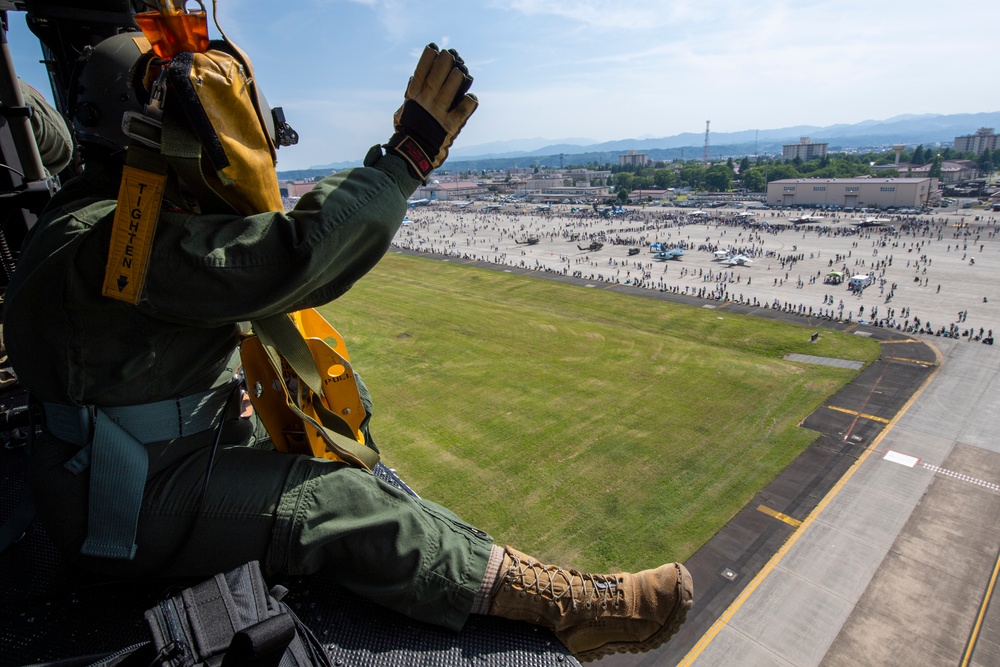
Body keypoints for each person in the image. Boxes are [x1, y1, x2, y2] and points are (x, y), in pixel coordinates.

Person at [2, 30, 692, 663]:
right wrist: (405, 159)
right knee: (335, 504)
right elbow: (291, 256)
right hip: (126, 496)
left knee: (329, 416)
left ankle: (489, 564)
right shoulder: (114, 245)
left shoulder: (91, 211)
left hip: (128, 453)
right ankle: (565, 606)